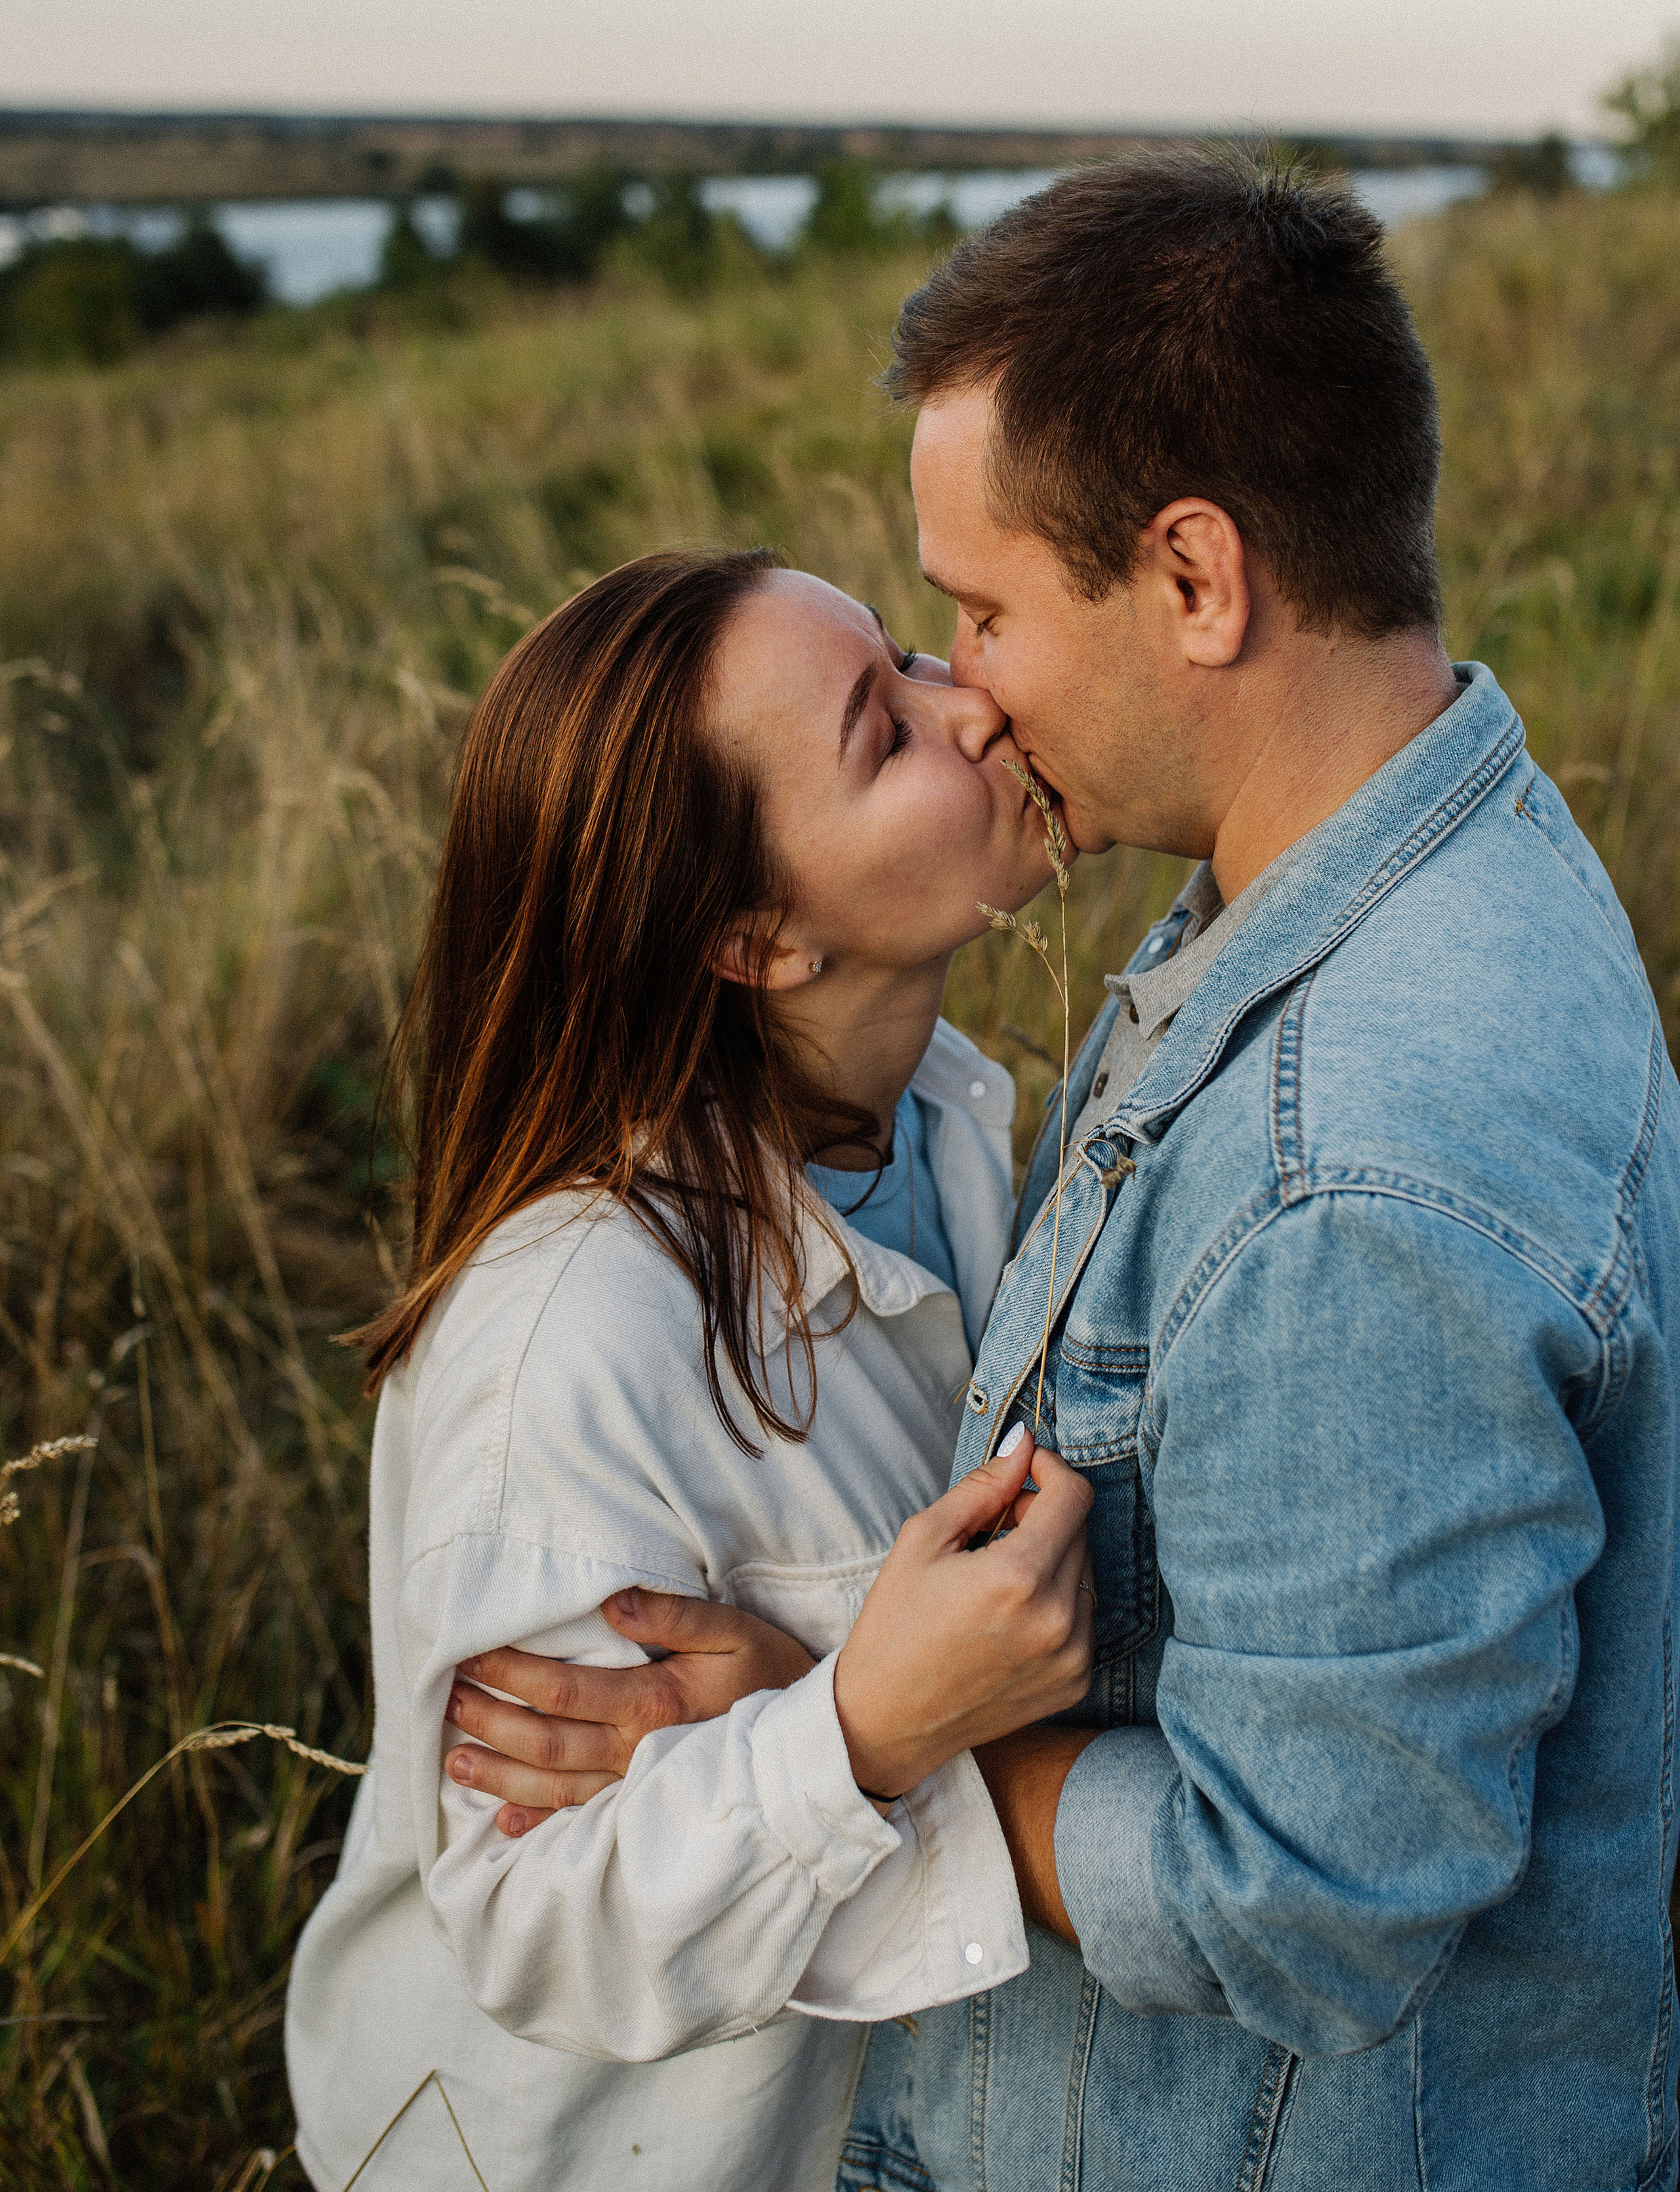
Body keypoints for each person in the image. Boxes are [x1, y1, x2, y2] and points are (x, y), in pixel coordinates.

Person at [456, 155, 1680, 2192]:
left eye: (987, 608)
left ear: (1197, 579)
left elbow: (1300, 1896)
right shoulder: (1397, 853)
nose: (974, 686)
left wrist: (880, 1729)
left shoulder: (1346, 1175)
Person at [283, 547, 1099, 2192]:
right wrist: (856, 1725)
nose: (975, 705)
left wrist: (809, 1696)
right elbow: (537, 1922)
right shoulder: (567, 1342)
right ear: (756, 935)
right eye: (884, 732)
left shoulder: (940, 1117)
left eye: (909, 657)